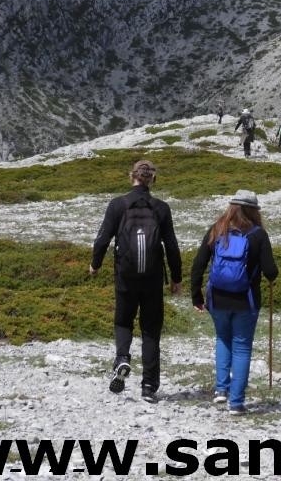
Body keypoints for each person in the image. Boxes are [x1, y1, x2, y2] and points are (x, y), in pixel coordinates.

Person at [89, 159, 182, 401]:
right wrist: (176, 278)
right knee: (151, 330)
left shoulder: (117, 205)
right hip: (152, 278)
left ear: (131, 176)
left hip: (125, 276)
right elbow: (171, 246)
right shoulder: (161, 208)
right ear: (153, 179)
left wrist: (95, 265)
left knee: (123, 321)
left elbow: (102, 240)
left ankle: (122, 358)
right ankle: (149, 386)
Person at [191, 190, 278, 415]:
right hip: (246, 301)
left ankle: (221, 390)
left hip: (217, 298)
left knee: (223, 338)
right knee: (241, 346)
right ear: (253, 211)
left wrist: (196, 297)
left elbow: (198, 264)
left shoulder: (217, 230)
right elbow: (271, 272)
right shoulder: (258, 235)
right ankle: (236, 403)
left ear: (231, 207)